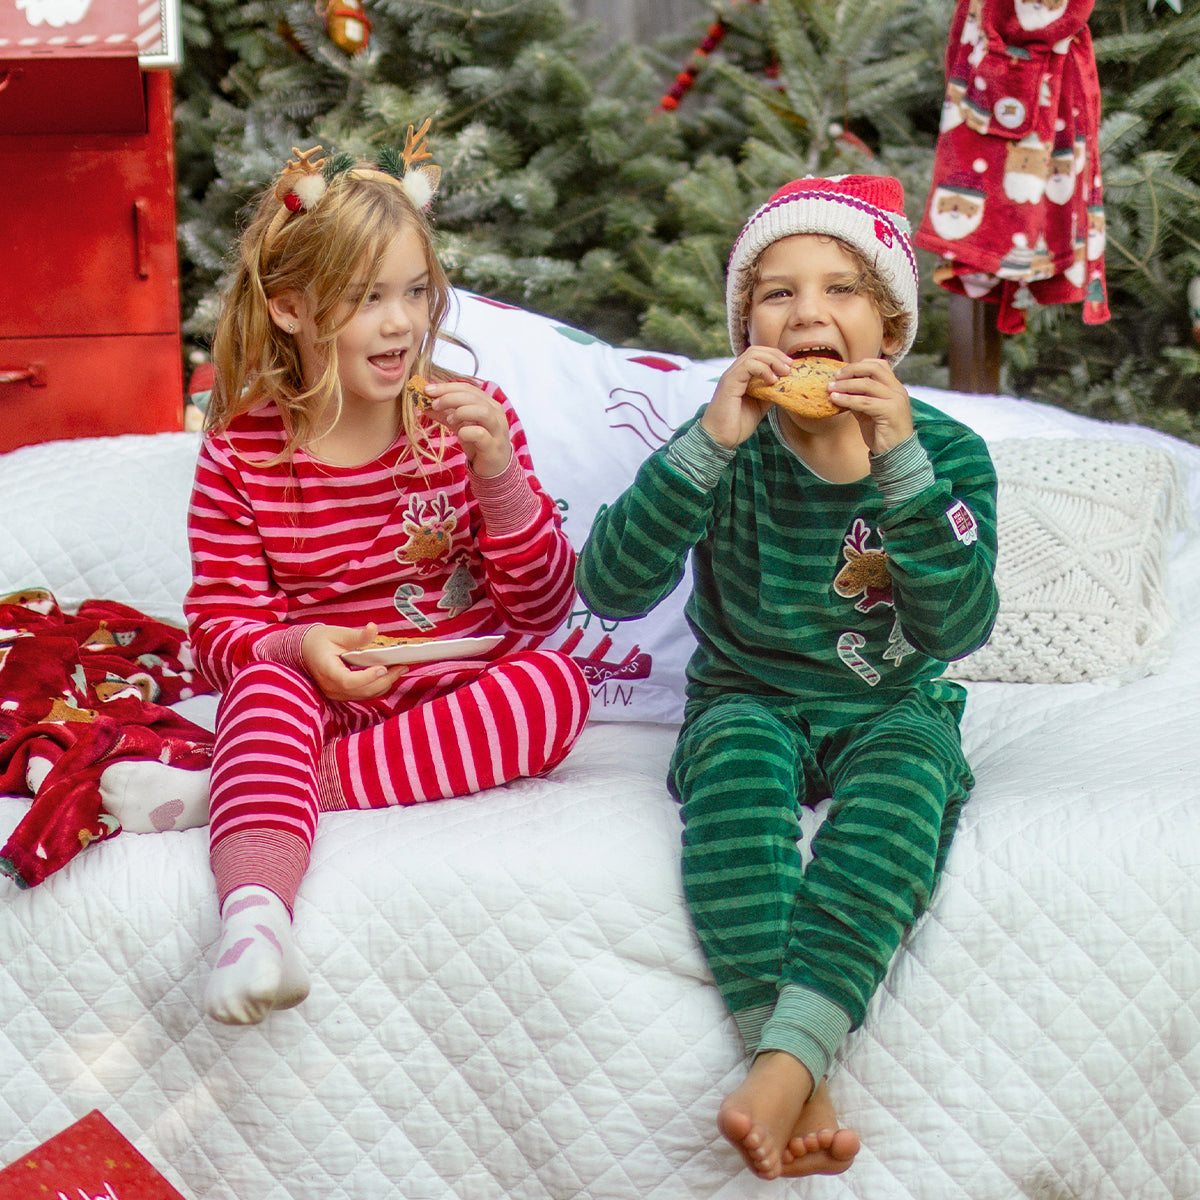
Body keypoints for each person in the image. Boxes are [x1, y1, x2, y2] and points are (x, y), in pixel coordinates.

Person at [575, 175, 999, 1180]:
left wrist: (902, 471)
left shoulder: (943, 451)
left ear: (890, 332)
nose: (809, 311)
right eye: (777, 292)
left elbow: (963, 623)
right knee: (731, 789)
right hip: (747, 699)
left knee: (901, 800)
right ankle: (791, 1056)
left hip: (890, 702)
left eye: (843, 290)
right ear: (744, 329)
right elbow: (610, 587)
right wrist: (704, 449)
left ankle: (786, 1056)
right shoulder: (727, 444)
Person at [185, 130, 589, 1026]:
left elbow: (542, 607)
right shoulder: (241, 451)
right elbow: (217, 633)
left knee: (557, 689)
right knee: (259, 691)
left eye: (414, 293)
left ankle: (268, 786)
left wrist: (499, 478)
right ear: (290, 309)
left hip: (453, 681)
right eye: (368, 299)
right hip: (321, 688)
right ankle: (255, 921)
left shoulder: (467, 428)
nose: (402, 324)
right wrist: (300, 645)